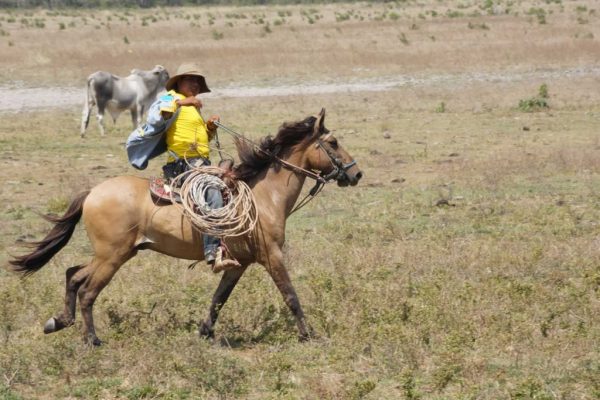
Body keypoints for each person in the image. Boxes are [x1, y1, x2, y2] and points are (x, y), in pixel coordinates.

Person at [149, 62, 241, 272]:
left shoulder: (193, 109)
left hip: (201, 164)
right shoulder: (171, 98)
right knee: (213, 192)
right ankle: (213, 250)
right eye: (191, 80)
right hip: (183, 167)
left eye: (199, 82)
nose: (196, 85)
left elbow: (200, 140)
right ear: (179, 82)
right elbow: (160, 115)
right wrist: (184, 102)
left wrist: (209, 128)